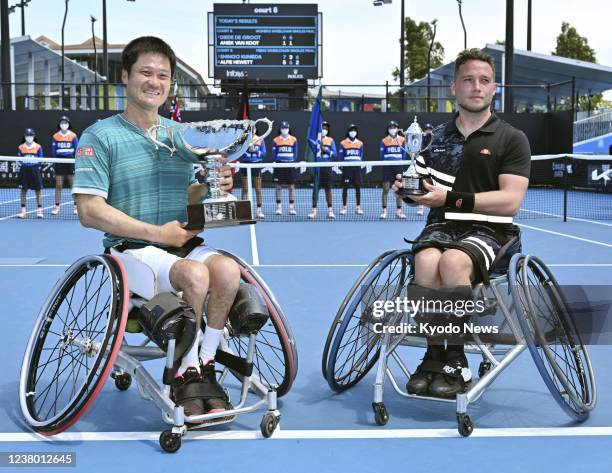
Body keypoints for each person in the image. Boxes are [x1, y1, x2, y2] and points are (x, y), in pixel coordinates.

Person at [72, 36, 239, 420]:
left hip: (177, 244)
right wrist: (158, 234)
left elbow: (186, 195)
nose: (154, 81)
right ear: (126, 77)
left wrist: (212, 187)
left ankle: (205, 362)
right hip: (131, 250)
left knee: (228, 271)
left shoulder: (179, 136)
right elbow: (89, 210)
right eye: (145, 72)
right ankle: (182, 373)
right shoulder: (100, 136)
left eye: (163, 75)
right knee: (196, 276)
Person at [394, 48, 531, 398]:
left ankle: (455, 359)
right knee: (426, 259)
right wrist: (407, 191)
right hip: (442, 226)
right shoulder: (435, 138)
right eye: (468, 80)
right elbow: (421, 185)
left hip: (491, 229)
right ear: (454, 87)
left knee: (453, 261)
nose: (476, 87)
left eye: (484, 80)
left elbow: (511, 200)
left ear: (494, 88)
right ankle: (433, 354)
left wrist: (449, 199)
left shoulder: (511, 139)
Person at [51, 116, 79, 216]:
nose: (64, 124)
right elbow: (53, 151)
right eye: (62, 122)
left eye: (65, 122)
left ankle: (76, 206)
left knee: (73, 185)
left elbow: (77, 149)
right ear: (59, 124)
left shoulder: (73, 136)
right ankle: (57, 206)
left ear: (68, 124)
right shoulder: (55, 136)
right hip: (59, 162)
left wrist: (76, 161)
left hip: (70, 162)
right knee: (58, 185)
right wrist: (55, 162)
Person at [308, 120, 337, 219]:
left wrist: (326, 150)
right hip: (317, 168)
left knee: (328, 190)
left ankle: (330, 211)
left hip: (327, 168)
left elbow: (335, 155)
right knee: (316, 189)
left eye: (326, 128)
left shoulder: (331, 140)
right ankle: (313, 211)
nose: (324, 130)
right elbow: (311, 153)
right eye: (322, 128)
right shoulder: (315, 140)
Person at [379, 120, 407, 219]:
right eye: (390, 127)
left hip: (398, 166)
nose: (392, 129)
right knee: (385, 188)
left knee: (399, 189)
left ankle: (399, 211)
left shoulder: (403, 140)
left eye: (394, 127)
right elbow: (381, 156)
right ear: (388, 129)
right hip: (387, 166)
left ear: (397, 128)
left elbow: (404, 154)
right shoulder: (384, 140)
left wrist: (400, 163)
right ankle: (384, 211)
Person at [272, 121, 298, 215]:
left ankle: (291, 208)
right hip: (279, 166)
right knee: (278, 187)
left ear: (288, 128)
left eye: (286, 128)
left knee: (291, 187)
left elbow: (295, 154)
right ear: (280, 129)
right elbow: (274, 154)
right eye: (283, 128)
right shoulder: (275, 140)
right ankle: (279, 207)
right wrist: (278, 161)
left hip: (290, 166)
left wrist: (292, 161)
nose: (284, 130)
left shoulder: (294, 139)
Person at [17, 128, 44, 219]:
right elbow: (19, 160)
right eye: (27, 135)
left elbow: (40, 159)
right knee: (23, 191)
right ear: (24, 137)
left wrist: (34, 165)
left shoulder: (38, 147)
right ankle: (23, 211)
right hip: (24, 170)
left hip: (35, 170)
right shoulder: (21, 147)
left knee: (38, 191)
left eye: (31, 135)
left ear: (33, 136)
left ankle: (39, 210)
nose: (29, 137)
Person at [338, 124, 364, 216]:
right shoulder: (343, 143)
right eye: (351, 130)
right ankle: (344, 207)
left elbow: (361, 156)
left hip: (356, 168)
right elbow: (341, 157)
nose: (353, 132)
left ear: (356, 132)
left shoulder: (360, 143)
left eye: (354, 130)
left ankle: (358, 207)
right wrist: (342, 166)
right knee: (345, 188)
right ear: (348, 132)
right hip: (347, 168)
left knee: (358, 188)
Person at [240, 129, 266, 219]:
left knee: (258, 189)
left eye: (254, 128)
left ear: (256, 129)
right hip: (245, 165)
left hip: (256, 165)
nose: (252, 129)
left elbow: (263, 153)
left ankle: (259, 211)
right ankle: (243, 211)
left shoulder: (260, 139)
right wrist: (248, 153)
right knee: (245, 189)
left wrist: (254, 150)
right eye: (250, 128)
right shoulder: (243, 139)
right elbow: (240, 153)